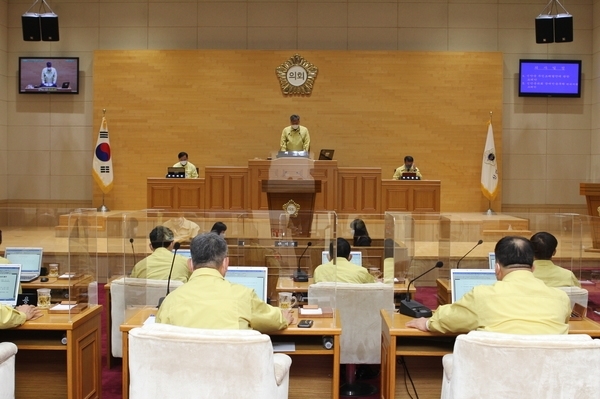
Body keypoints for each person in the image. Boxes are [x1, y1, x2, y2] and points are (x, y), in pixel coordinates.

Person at [406, 236, 571, 335]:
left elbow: (448, 319)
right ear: (533, 268)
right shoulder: (561, 298)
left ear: (497, 268)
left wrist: (427, 323)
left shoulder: (481, 296)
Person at [156, 233, 294, 332]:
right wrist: (284, 316)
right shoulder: (243, 296)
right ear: (226, 263)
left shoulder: (170, 301)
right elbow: (275, 321)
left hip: (185, 372)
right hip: (231, 371)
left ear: (190, 265)